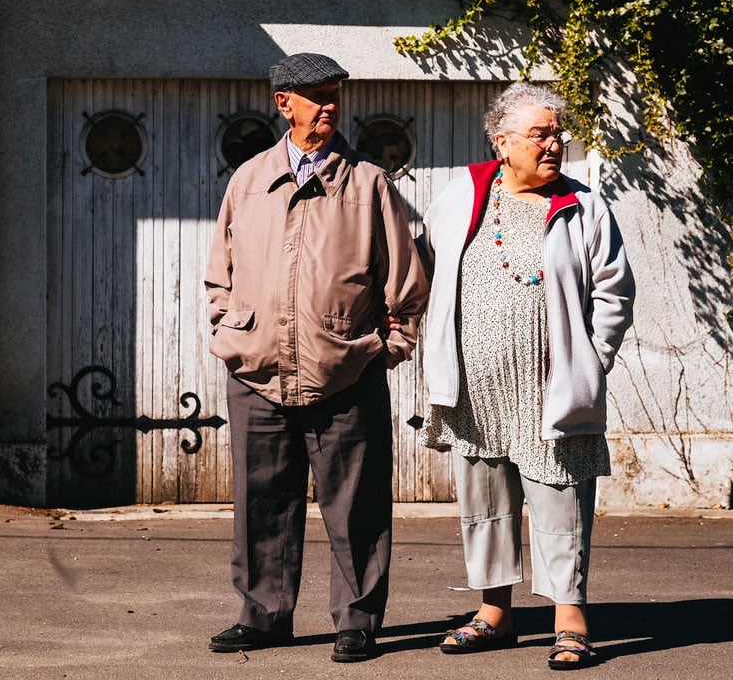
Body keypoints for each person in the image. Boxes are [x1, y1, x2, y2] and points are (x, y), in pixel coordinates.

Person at [204, 52, 429, 663]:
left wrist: (387, 348)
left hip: (345, 370)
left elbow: (404, 282)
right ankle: (263, 615)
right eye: (316, 96)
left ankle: (356, 620)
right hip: (257, 368)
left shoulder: (368, 184)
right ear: (285, 104)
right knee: (261, 500)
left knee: (355, 504)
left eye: (334, 95)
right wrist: (229, 330)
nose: (329, 105)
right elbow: (218, 273)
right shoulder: (247, 180)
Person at [415, 82, 635, 669]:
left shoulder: (584, 207)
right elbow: (425, 266)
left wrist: (594, 360)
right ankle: (494, 613)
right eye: (540, 133)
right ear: (502, 139)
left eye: (559, 133)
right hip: (476, 390)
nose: (555, 143)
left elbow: (614, 292)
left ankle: (570, 616)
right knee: (485, 502)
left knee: (561, 501)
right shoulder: (462, 195)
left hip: (550, 389)